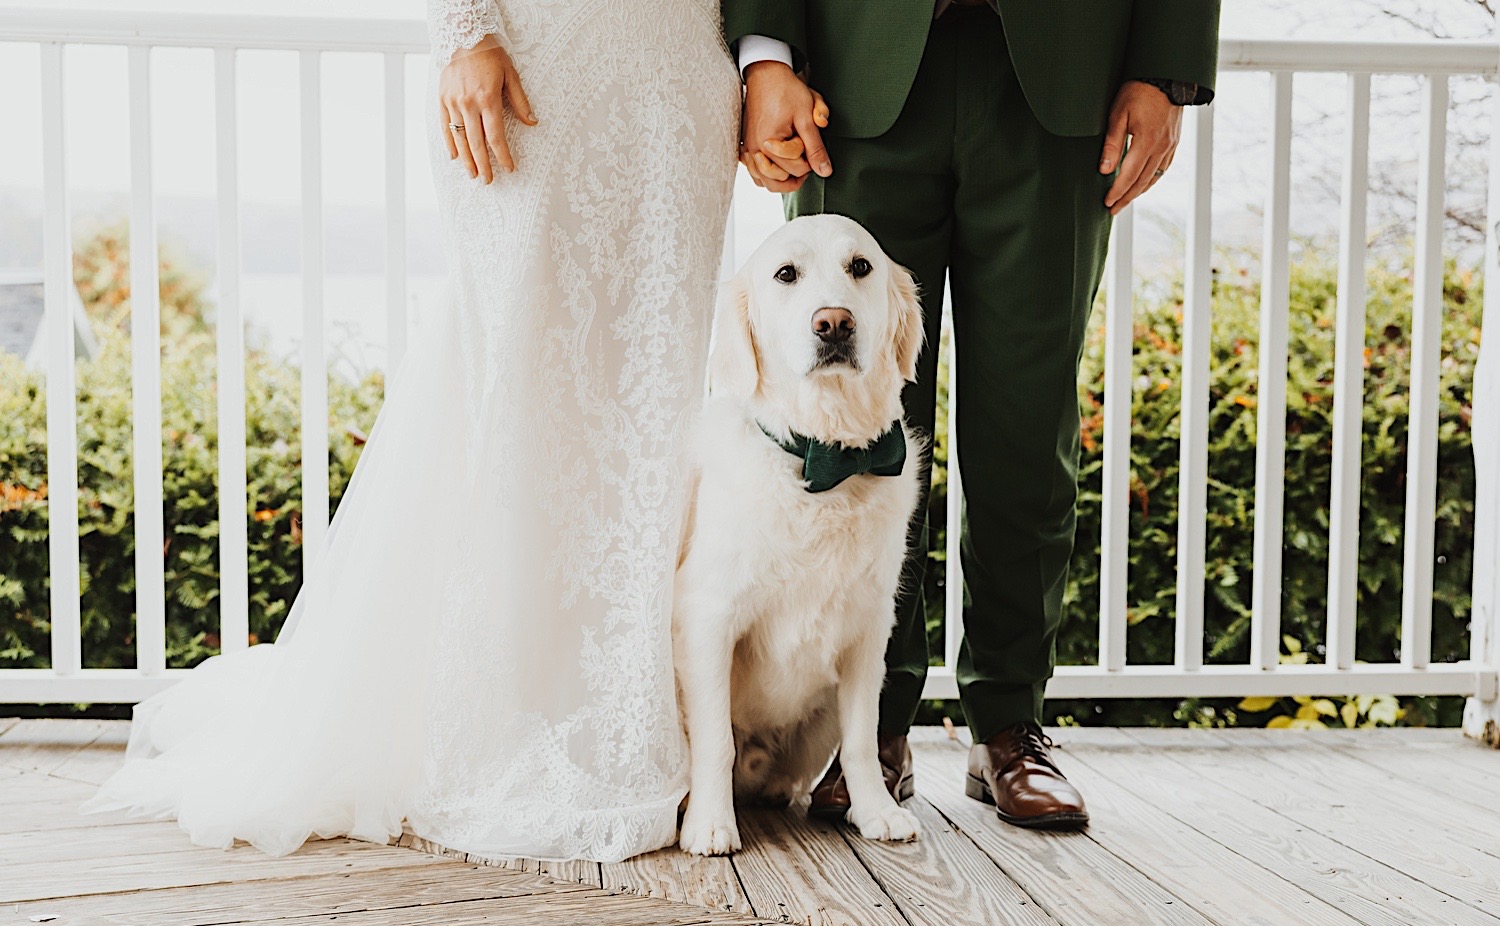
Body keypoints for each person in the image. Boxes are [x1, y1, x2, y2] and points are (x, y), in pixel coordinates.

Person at [83, 1, 740, 863]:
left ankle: (637, 716)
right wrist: (463, 32)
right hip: (534, 61)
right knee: (513, 376)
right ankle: (506, 724)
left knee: (655, 399)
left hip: (680, 71)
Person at [725, 0, 1220, 830]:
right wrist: (766, 53)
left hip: (1064, 76)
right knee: (843, 424)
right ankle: (867, 730)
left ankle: (1008, 727)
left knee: (1028, 421)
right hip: (852, 75)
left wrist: (1165, 66)